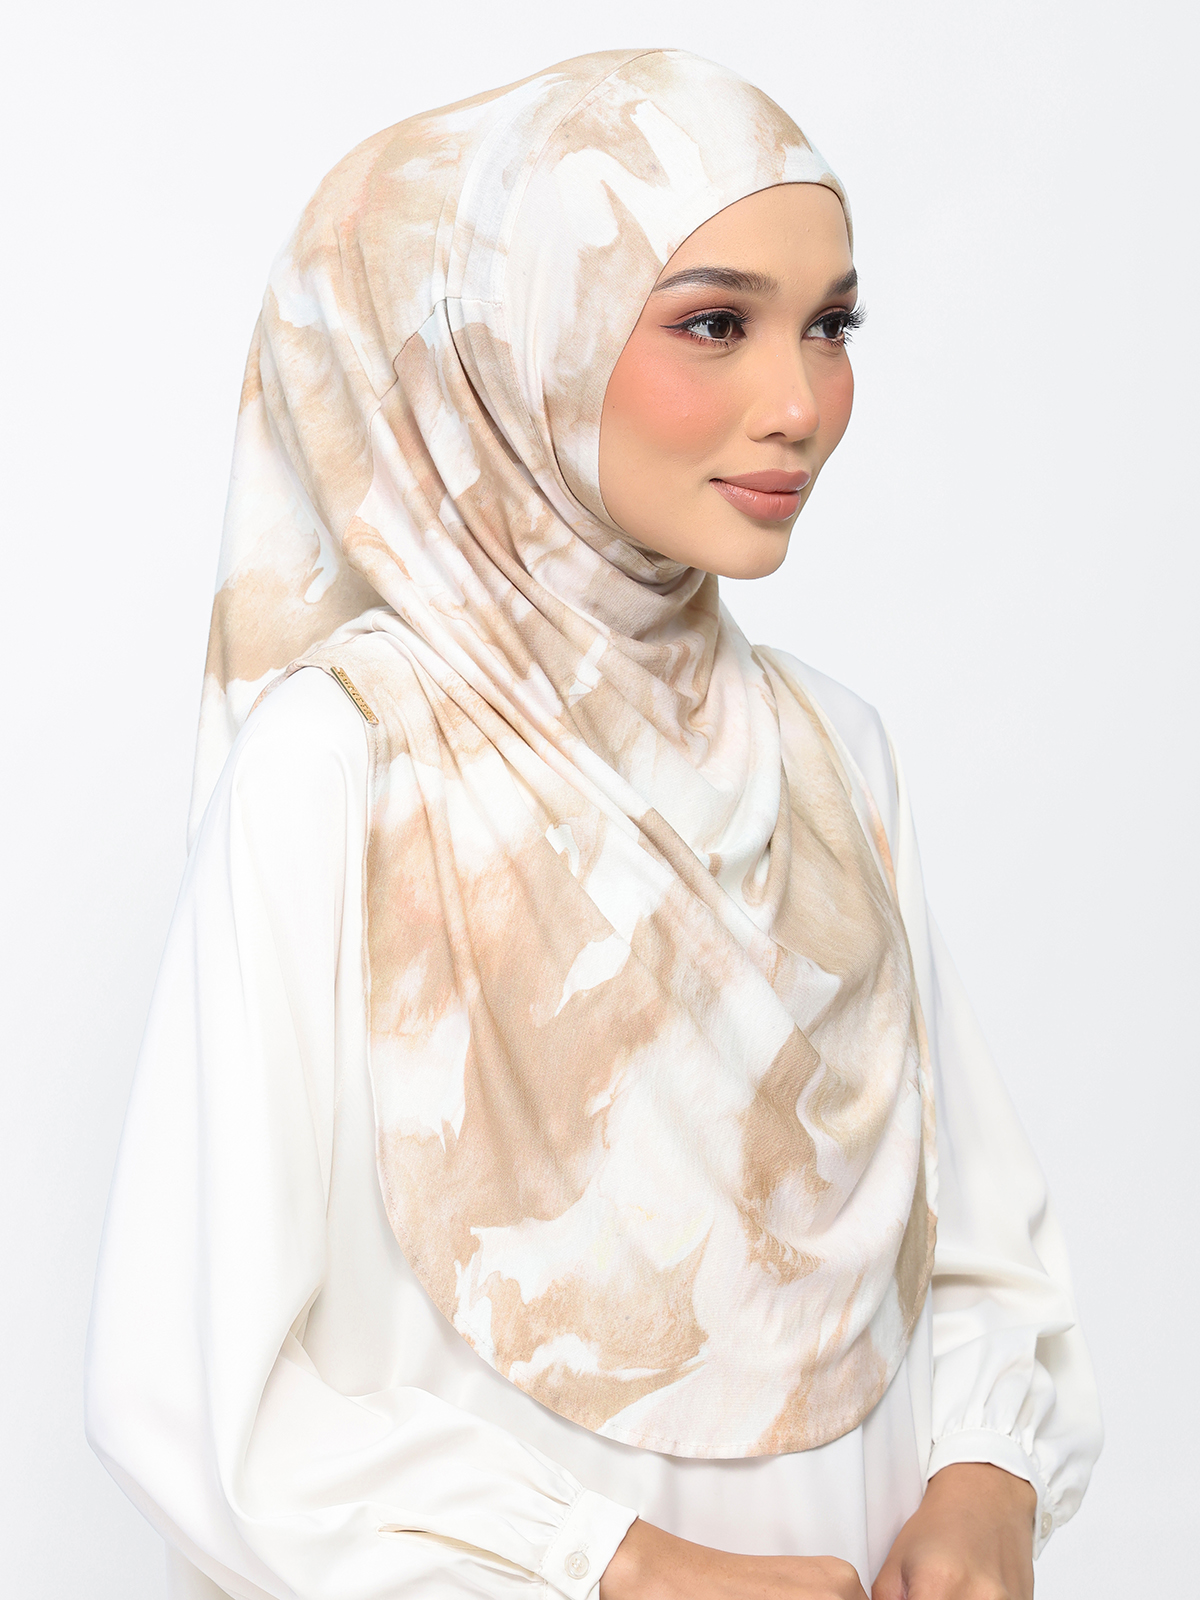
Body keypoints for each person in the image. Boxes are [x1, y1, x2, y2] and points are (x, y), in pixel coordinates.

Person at [85, 48, 1102, 1600]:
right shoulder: (346, 763)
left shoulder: (832, 756)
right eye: (716, 323)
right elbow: (193, 1388)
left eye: (830, 326)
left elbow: (963, 1246)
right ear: (529, 340)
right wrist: (615, 1566)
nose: (799, 405)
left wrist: (986, 1477)